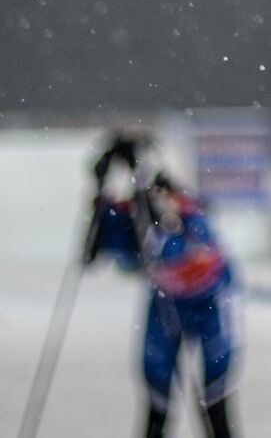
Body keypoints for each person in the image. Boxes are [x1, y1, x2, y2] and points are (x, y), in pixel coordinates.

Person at [84, 129, 241, 438]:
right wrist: (101, 190)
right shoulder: (139, 220)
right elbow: (95, 254)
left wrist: (145, 189)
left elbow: (189, 254)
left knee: (214, 397)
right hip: (165, 307)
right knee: (157, 399)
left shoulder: (192, 216)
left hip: (209, 305)